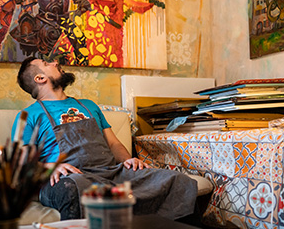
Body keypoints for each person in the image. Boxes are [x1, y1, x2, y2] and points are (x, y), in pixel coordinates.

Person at [12, 57, 197, 221]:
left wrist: (128, 160)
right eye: (47, 63)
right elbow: (20, 161)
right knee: (75, 188)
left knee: (179, 181)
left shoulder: (89, 105)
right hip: (69, 178)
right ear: (40, 78)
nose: (55, 62)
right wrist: (50, 167)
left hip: (111, 173)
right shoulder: (28, 115)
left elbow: (113, 143)